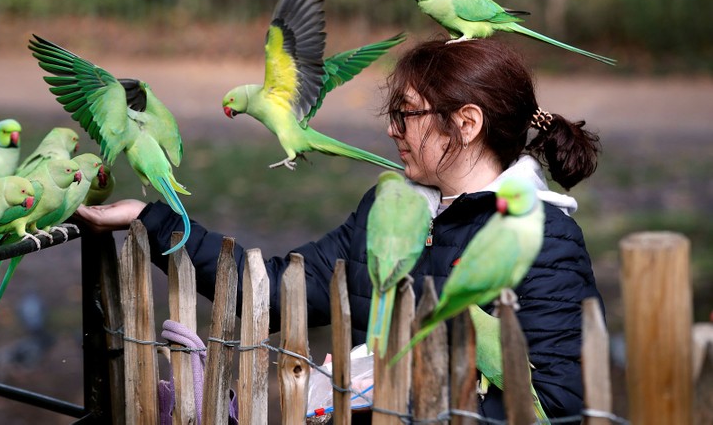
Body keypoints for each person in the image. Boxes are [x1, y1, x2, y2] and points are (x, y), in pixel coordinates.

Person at [76, 37, 604, 420]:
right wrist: (156, 221)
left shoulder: (544, 238)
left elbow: (558, 402)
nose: (393, 130)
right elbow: (278, 289)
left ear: (466, 123)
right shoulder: (388, 208)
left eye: (408, 115)